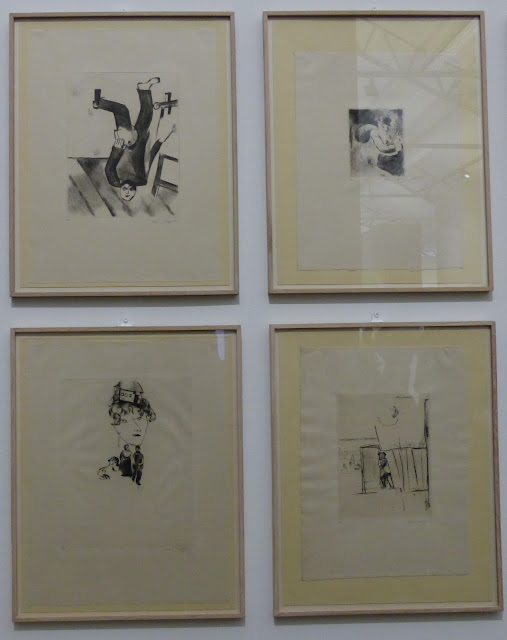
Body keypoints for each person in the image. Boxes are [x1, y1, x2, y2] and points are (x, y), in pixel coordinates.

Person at [93, 77, 176, 201]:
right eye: (130, 192)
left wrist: (117, 148)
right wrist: (160, 141)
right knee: (147, 115)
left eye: (125, 192)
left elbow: (109, 167)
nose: (127, 189)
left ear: (120, 191)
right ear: (135, 191)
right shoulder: (141, 180)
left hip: (124, 143)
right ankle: (143, 89)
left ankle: (99, 103)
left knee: (122, 110)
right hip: (140, 143)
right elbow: (149, 160)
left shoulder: (114, 181)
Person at [97, 380, 156, 484]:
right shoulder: (110, 466)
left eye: (139, 419)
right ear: (116, 425)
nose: (137, 428)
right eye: (126, 421)